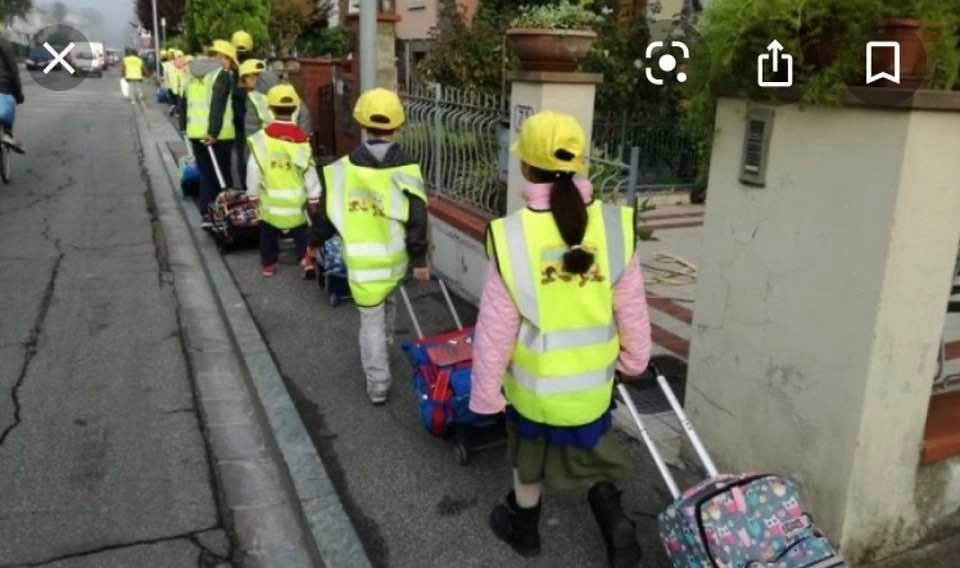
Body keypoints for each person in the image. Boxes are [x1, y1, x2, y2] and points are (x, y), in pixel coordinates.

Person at [470, 111, 651, 568]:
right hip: (592, 388)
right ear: (578, 164)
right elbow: (631, 310)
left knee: (528, 458)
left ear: (526, 168)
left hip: (534, 392)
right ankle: (615, 524)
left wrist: (487, 394)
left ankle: (525, 530)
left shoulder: (511, 236)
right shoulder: (613, 227)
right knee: (593, 452)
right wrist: (634, 361)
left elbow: (495, 328)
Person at [312, 88, 429, 405]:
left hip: (362, 265)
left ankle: (378, 383)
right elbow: (418, 217)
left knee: (370, 322)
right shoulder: (407, 168)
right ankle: (386, 346)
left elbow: (325, 214)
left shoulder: (343, 169)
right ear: (398, 125)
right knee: (389, 301)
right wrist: (419, 259)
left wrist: (313, 245)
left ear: (362, 123)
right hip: (395, 259)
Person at [245, 84, 320, 278]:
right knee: (301, 231)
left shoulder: (261, 139)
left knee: (267, 234)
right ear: (296, 108)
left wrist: (252, 193)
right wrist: (314, 196)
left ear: (269, 108)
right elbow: (309, 170)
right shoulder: (302, 140)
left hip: (270, 204)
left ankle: (268, 264)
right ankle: (305, 258)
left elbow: (254, 169)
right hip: (296, 204)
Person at [180, 40, 237, 226]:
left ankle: (206, 213)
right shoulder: (220, 74)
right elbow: (217, 105)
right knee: (222, 175)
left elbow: (183, 101)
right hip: (218, 134)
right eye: (230, 61)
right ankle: (225, 214)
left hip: (195, 131)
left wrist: (184, 127)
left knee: (206, 174)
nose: (230, 66)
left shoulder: (190, 71)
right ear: (223, 57)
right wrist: (213, 132)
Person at [0, 33, 25, 154]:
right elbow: (13, 71)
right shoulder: (3, 43)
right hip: (2, 87)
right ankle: (7, 134)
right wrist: (19, 95)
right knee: (6, 106)